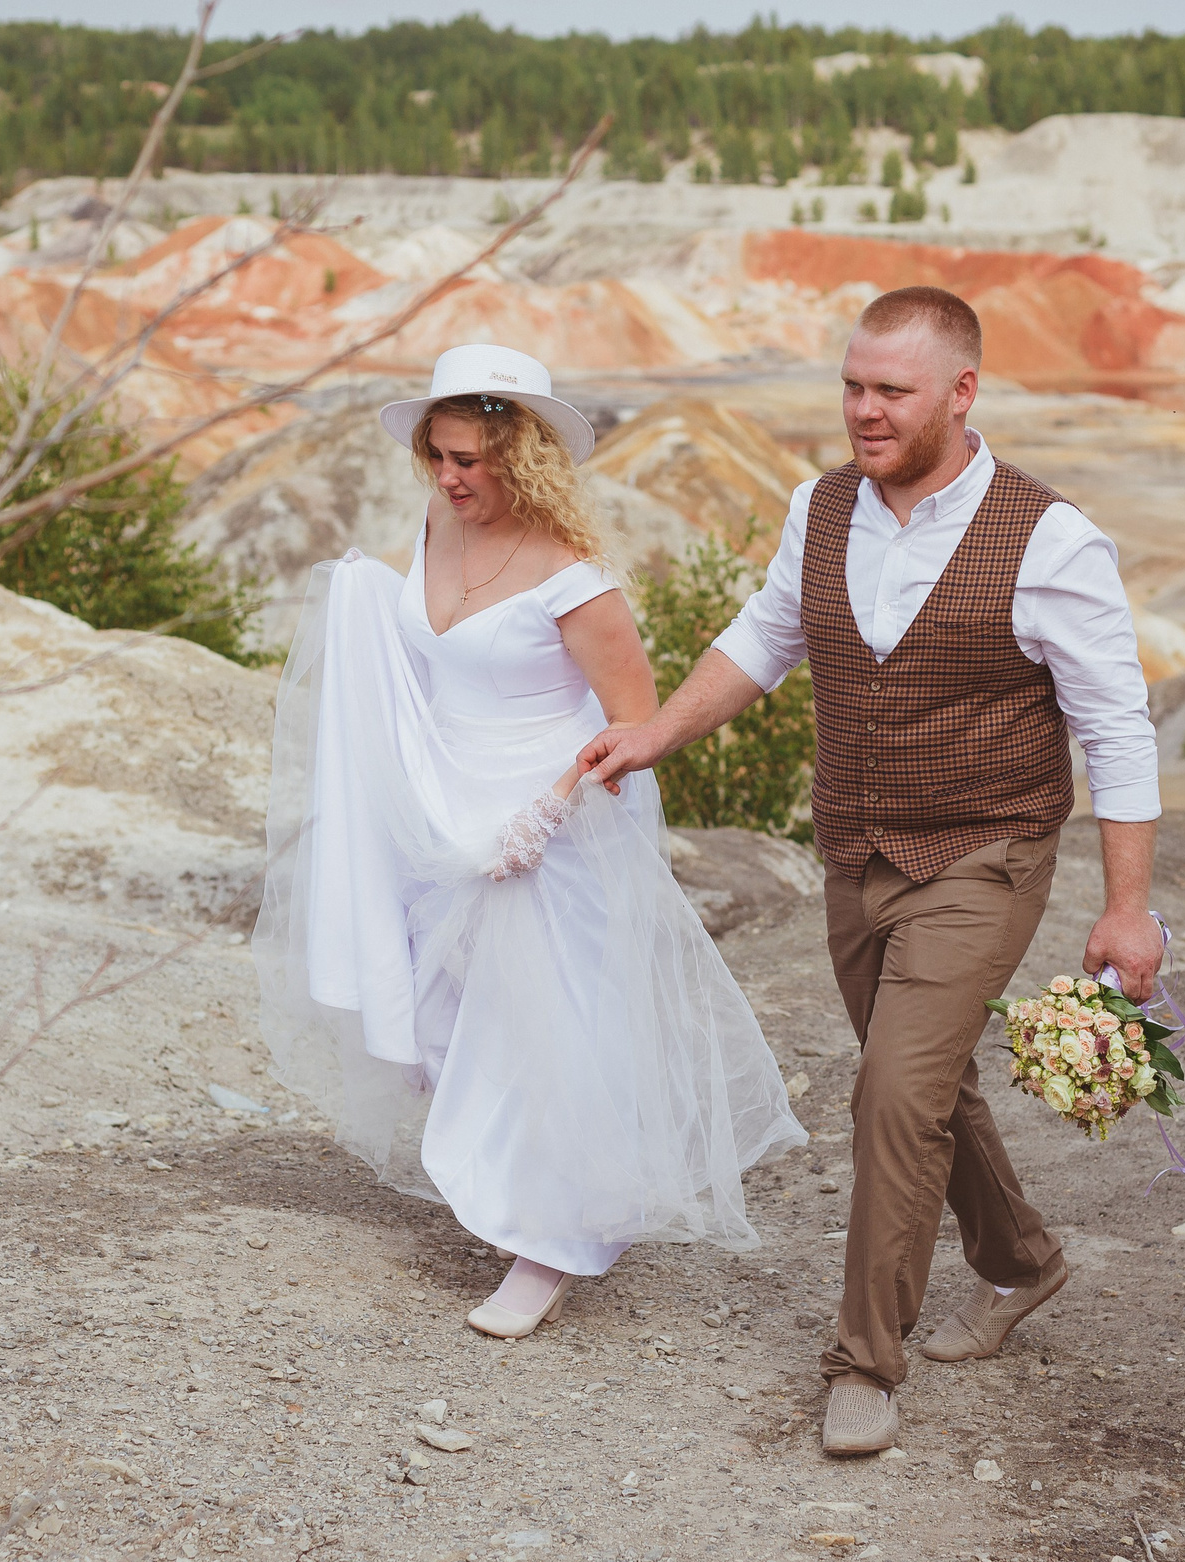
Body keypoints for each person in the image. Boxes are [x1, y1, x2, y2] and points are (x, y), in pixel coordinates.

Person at [579, 289, 1164, 1454]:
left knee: (892, 1091)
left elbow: (1117, 726)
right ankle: (1024, 1262)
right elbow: (764, 635)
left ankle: (864, 1363)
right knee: (928, 1085)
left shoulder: (1051, 541)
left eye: (890, 390)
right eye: (851, 385)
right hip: (853, 844)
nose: (862, 410)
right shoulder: (822, 505)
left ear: (962, 392)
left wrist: (1127, 908)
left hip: (986, 851)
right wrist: (654, 732)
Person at [254, 343, 804, 1339]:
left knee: (543, 1035)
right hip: (444, 815)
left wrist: (542, 815)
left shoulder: (574, 582)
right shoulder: (434, 527)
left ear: (525, 460)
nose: (452, 478)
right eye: (440, 456)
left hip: (548, 831)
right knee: (448, 1029)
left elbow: (633, 729)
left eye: (473, 460)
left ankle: (550, 1244)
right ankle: (547, 1195)